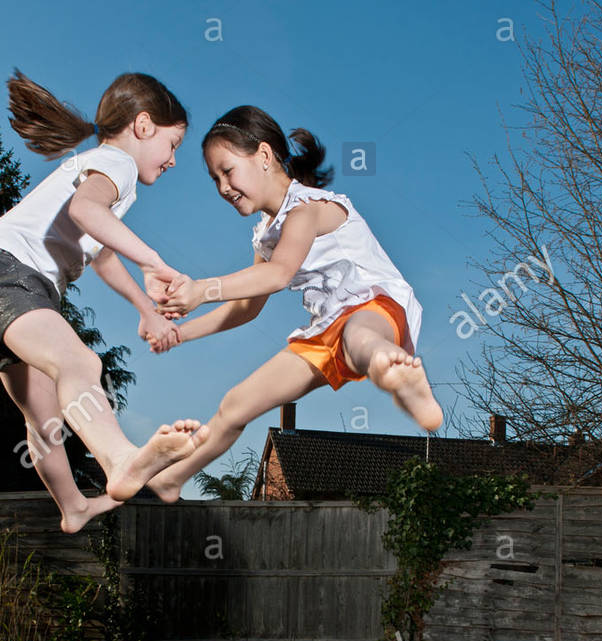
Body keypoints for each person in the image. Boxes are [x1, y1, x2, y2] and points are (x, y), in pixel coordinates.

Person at [147, 105, 443, 503]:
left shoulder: (307, 208)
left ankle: (395, 371)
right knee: (235, 404)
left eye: (228, 171)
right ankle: (171, 480)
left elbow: (280, 273)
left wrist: (202, 289)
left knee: (360, 337)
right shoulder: (265, 235)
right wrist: (180, 332)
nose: (222, 187)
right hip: (324, 333)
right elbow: (245, 308)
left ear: (264, 156)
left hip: (375, 306)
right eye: (214, 178)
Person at [0, 71, 209, 531]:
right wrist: (154, 261)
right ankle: (119, 462)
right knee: (80, 365)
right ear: (144, 125)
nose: (173, 161)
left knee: (44, 419)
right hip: (8, 277)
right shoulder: (118, 164)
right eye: (173, 146)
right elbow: (85, 212)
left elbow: (101, 251)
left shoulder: (97, 167)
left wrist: (145, 306)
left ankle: (73, 506)